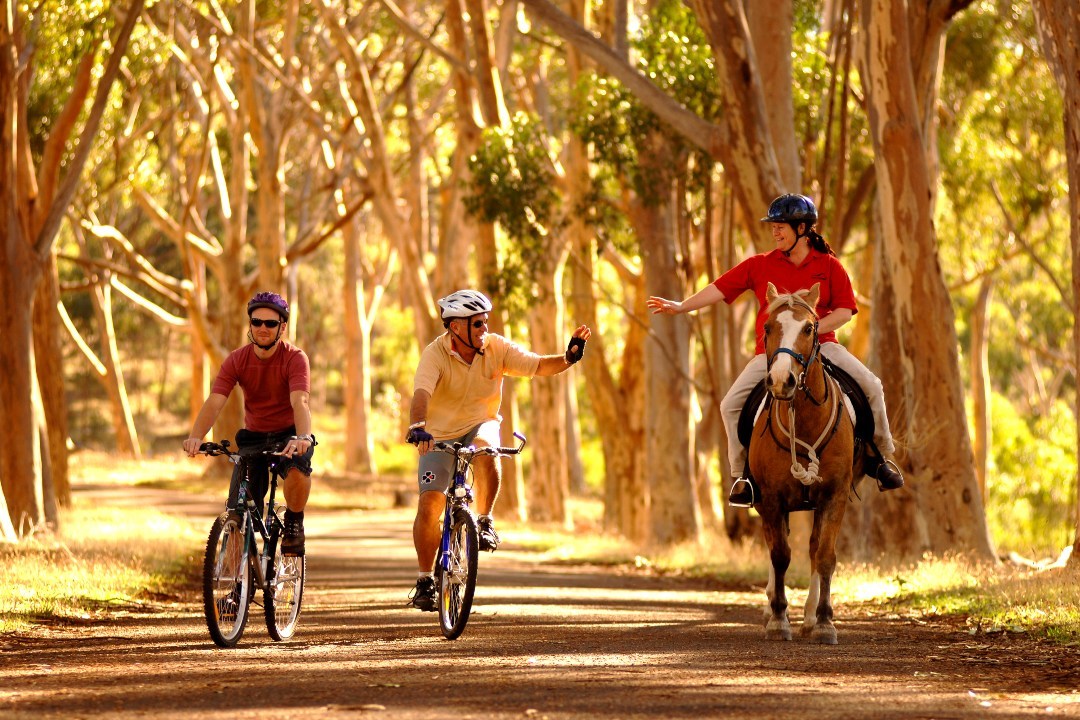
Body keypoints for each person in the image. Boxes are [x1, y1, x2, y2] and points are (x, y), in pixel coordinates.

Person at [646, 194, 904, 507]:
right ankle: (742, 477)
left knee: (873, 387)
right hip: (769, 356)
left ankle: (881, 459)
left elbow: (845, 312)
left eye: (781, 227)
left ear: (803, 229)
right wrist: (682, 306)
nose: (776, 233)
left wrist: (805, 334)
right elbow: (720, 288)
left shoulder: (829, 266)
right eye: (774, 227)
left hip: (824, 348)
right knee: (729, 406)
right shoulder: (760, 265)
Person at [404, 289, 592, 611]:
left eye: (485, 322)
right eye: (477, 324)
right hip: (439, 434)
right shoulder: (434, 354)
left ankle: (485, 520)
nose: (484, 329)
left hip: (481, 423)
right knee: (430, 504)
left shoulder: (496, 348)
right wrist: (417, 427)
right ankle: (424, 579)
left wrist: (569, 358)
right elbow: (421, 392)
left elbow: (537, 366)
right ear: (456, 327)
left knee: (486, 449)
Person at [183, 291, 315, 556]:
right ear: (250, 325)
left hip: (289, 436)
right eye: (256, 322)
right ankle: (234, 591)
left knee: (298, 471)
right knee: (237, 515)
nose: (262, 328)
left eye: (270, 323)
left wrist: (303, 437)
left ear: (282, 327)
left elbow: (299, 402)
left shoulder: (295, 358)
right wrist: (196, 435)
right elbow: (216, 401)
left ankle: (294, 523)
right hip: (253, 437)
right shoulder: (237, 360)